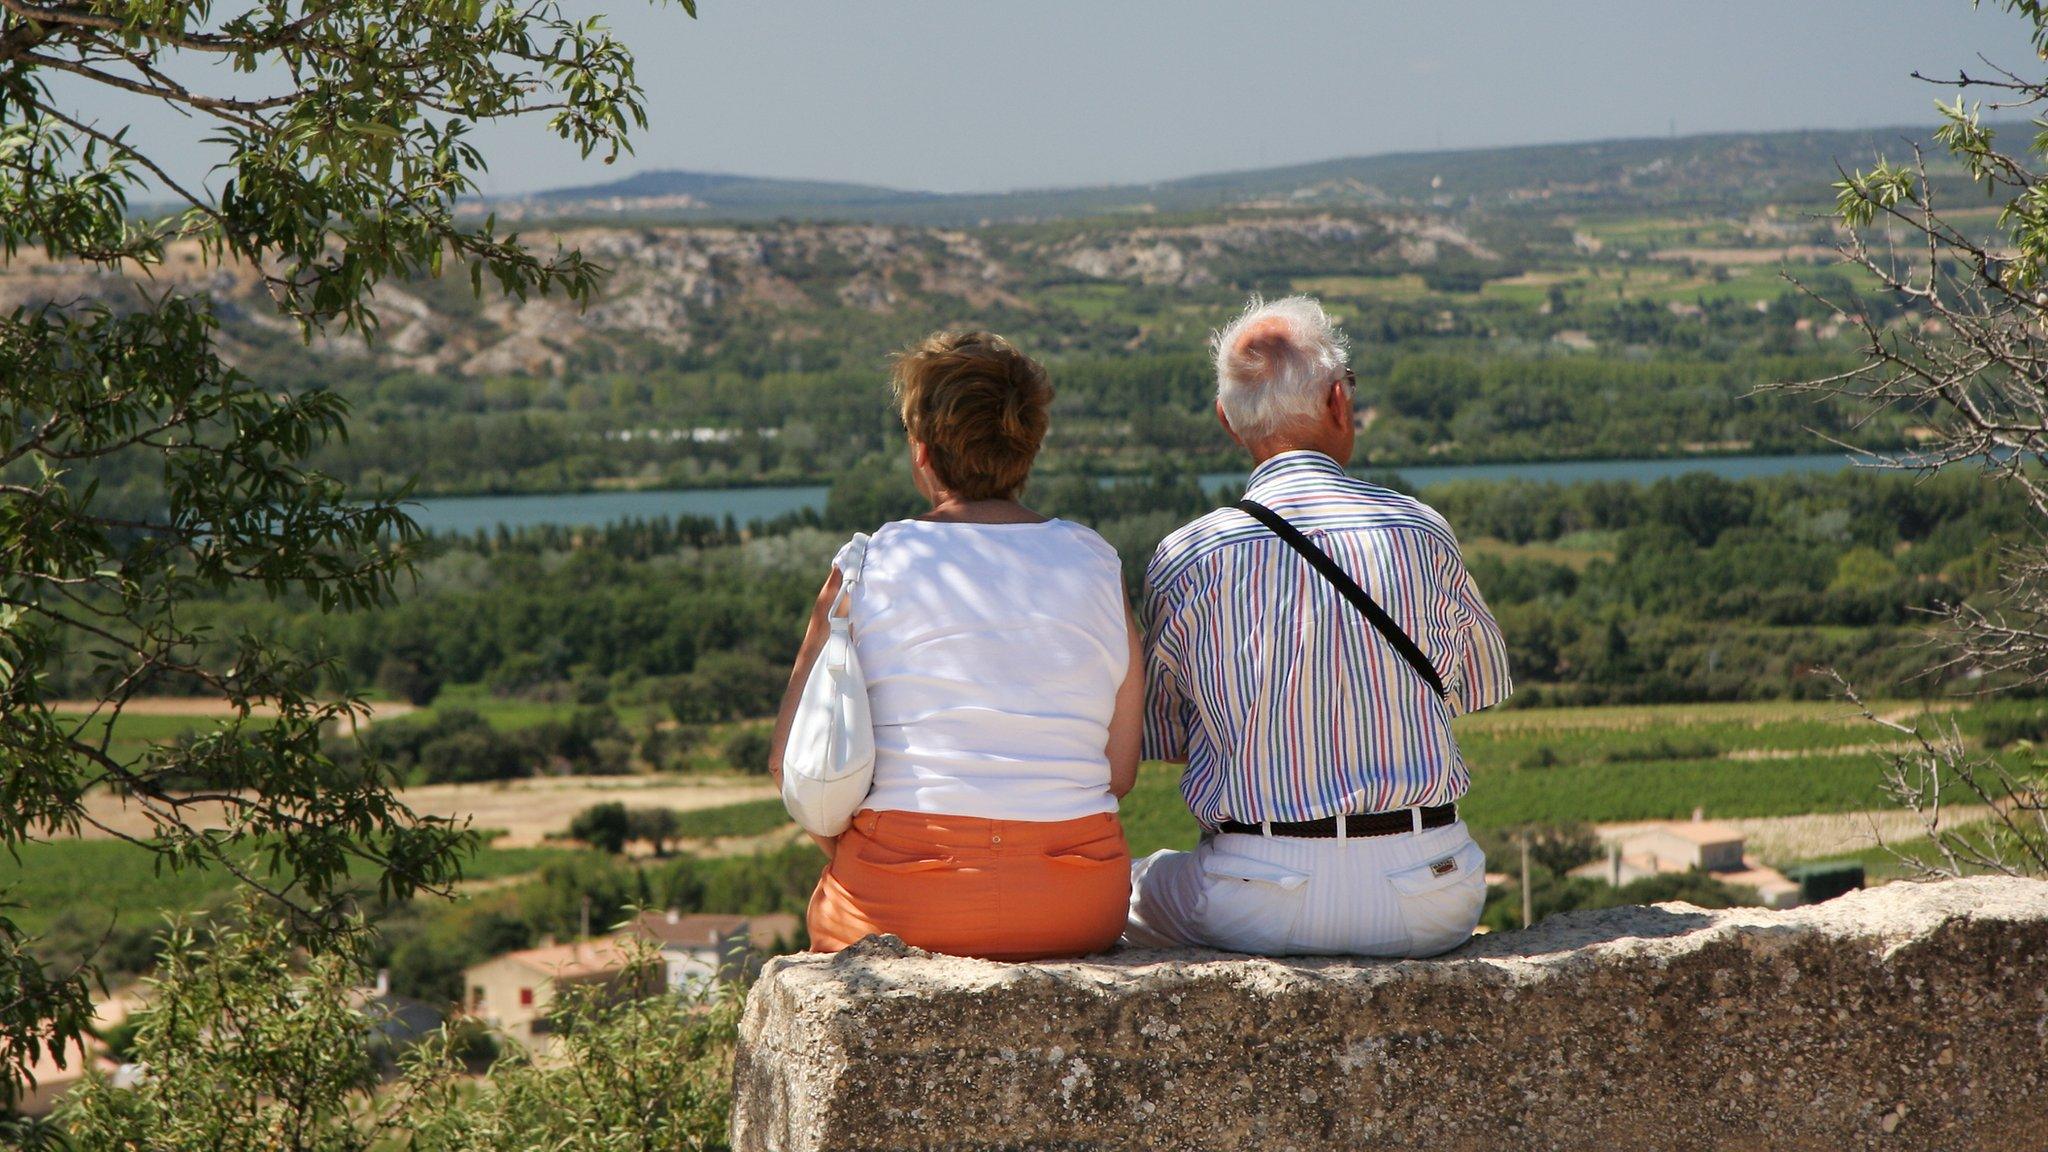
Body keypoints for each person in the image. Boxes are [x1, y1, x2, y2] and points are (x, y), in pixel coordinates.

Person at [1125, 295, 1512, 958]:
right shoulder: (1420, 529)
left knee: (1128, 892)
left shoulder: (1187, 557)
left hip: (1258, 893)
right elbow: (1474, 687)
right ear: (1339, 402)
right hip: (1432, 890)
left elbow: (1165, 735)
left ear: (1228, 421)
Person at [770, 331, 1145, 961]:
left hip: (898, 906)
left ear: (922, 452)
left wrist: (881, 859)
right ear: (1029, 446)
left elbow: (795, 768)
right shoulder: (1097, 563)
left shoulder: (866, 566)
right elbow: (1119, 772)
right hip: (1077, 901)